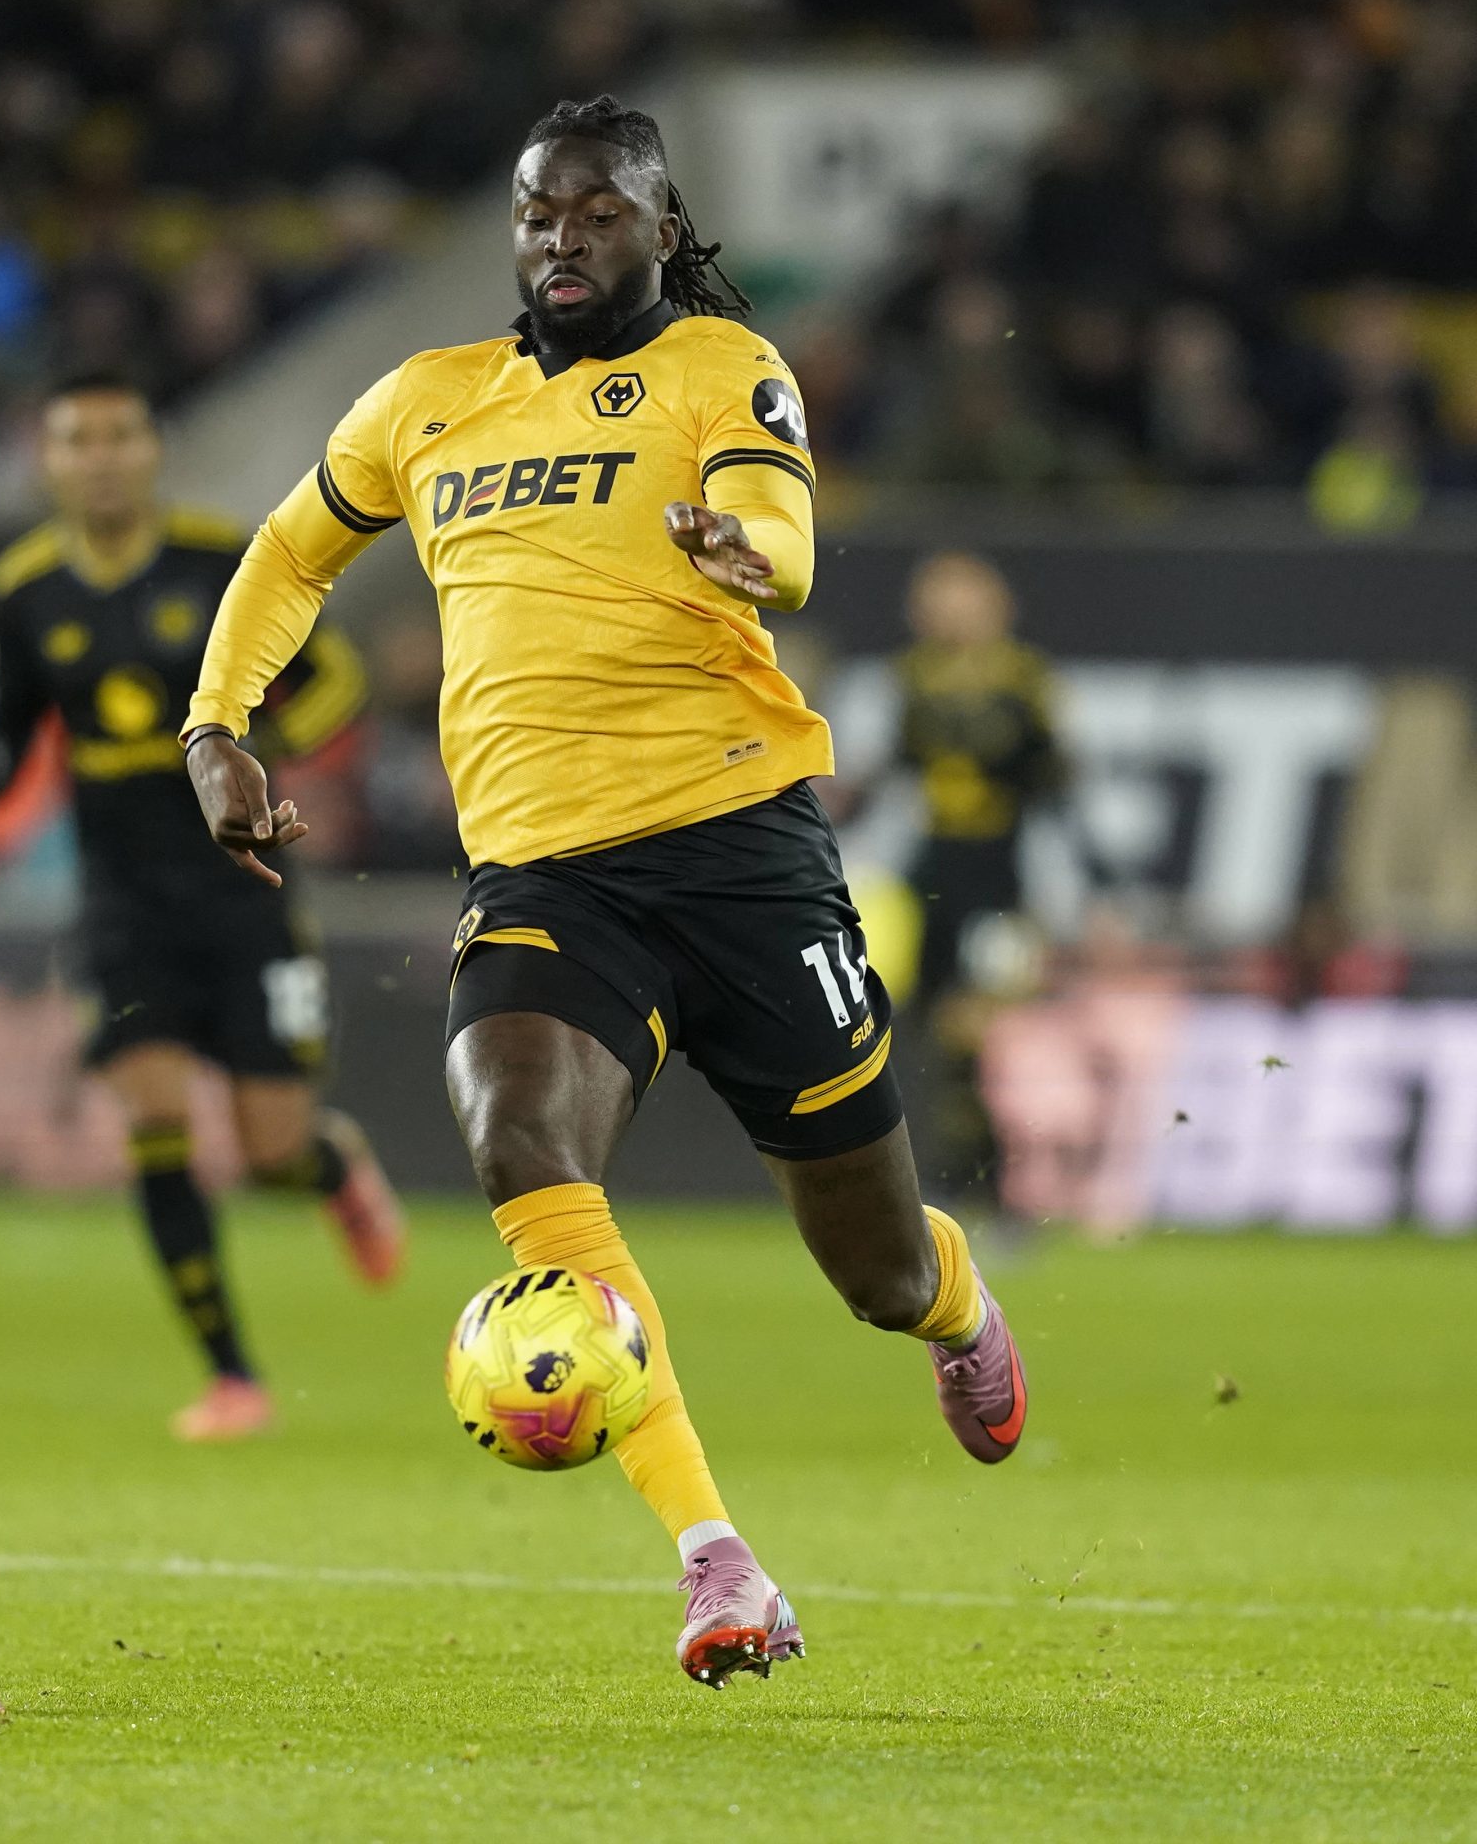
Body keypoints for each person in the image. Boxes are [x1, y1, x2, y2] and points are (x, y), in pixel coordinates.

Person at [179, 97, 1030, 1688]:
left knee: (875, 1270)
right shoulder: (427, 403)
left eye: (596, 212)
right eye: (535, 213)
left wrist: (744, 551)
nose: (560, 238)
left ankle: (957, 1303)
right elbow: (288, 553)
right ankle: (721, 1564)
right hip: (547, 875)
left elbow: (787, 529)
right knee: (516, 1136)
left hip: (741, 854)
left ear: (658, 223)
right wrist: (217, 721)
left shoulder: (723, 365)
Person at [0, 373, 406, 1442]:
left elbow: (335, 676)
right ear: (48, 460)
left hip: (240, 893)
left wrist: (259, 754)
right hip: (121, 904)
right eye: (75, 438)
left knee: (268, 1147)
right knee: (152, 1115)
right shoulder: (24, 591)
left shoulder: (221, 562)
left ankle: (331, 1169)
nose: (99, 456)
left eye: (118, 435)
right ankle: (232, 1374)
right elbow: (7, 732)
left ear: (152, 451)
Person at [892, 550, 1067, 1204]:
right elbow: (897, 771)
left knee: (984, 1029)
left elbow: (1054, 783)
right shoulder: (912, 677)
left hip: (998, 872)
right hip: (932, 873)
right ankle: (950, 1176)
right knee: (935, 1026)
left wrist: (1090, 883)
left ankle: (993, 1182)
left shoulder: (1023, 682)